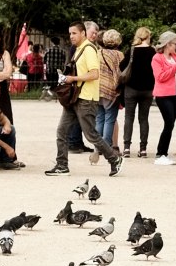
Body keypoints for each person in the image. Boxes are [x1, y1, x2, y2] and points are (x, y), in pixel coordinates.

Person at [46, 21, 121, 177]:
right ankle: (62, 165)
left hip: (86, 98)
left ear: (82, 33)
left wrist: (72, 78)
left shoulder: (89, 49)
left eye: (74, 33)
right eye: (70, 33)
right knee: (62, 131)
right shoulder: (79, 49)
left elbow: (94, 74)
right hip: (75, 97)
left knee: (91, 134)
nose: (71, 36)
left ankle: (114, 158)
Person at [119, 27, 155, 159]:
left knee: (129, 118)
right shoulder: (153, 51)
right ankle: (143, 149)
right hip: (148, 89)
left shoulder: (132, 50)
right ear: (148, 36)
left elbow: (122, 66)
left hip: (131, 88)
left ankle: (127, 148)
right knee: (144, 119)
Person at [151, 32, 176, 165]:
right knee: (169, 122)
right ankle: (161, 153)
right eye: (175, 43)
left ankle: (163, 153)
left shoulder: (174, 56)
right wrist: (172, 68)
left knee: (171, 124)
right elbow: (160, 77)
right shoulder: (157, 58)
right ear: (168, 44)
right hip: (163, 94)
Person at [94, 29, 126, 157]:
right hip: (112, 90)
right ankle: (106, 146)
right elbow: (120, 73)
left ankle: (97, 147)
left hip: (97, 89)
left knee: (99, 119)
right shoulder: (119, 55)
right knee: (110, 119)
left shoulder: (97, 53)